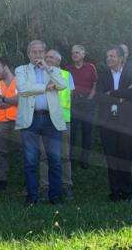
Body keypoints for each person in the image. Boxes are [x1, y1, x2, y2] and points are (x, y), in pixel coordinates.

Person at [15, 40, 67, 204]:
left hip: (51, 120)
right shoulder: (21, 70)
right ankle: (32, 198)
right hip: (30, 120)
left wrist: (47, 68)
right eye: (34, 52)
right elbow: (23, 89)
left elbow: (62, 85)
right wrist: (45, 87)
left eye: (40, 52)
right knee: (30, 161)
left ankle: (55, 198)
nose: (37, 55)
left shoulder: (53, 70)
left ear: (44, 53)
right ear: (28, 54)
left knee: (55, 161)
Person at [95, 46, 132, 202]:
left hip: (126, 122)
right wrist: (121, 96)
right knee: (111, 159)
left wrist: (112, 93)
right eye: (107, 56)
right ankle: (114, 193)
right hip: (108, 122)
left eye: (112, 56)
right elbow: (99, 96)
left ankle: (127, 192)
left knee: (125, 158)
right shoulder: (102, 76)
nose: (108, 58)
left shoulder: (131, 74)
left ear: (121, 58)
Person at [40, 50, 74, 199]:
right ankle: (45, 186)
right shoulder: (40, 75)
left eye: (51, 57)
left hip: (63, 120)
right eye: (46, 57)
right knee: (43, 156)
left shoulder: (66, 75)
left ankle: (66, 185)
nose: (48, 59)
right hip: (45, 120)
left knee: (64, 155)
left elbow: (69, 94)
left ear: (59, 61)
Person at [64, 45, 97, 169]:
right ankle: (70, 158)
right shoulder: (68, 69)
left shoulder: (90, 67)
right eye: (73, 53)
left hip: (87, 103)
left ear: (83, 54)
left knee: (87, 132)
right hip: (74, 103)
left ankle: (85, 160)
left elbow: (95, 83)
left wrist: (90, 98)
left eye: (77, 53)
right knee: (72, 132)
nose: (74, 55)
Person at [0, 59, 18, 190]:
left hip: (18, 121)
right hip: (2, 122)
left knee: (24, 150)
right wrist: (12, 101)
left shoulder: (19, 81)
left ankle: (25, 178)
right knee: (3, 151)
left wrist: (3, 99)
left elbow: (21, 100)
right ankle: (3, 179)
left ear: (6, 67)